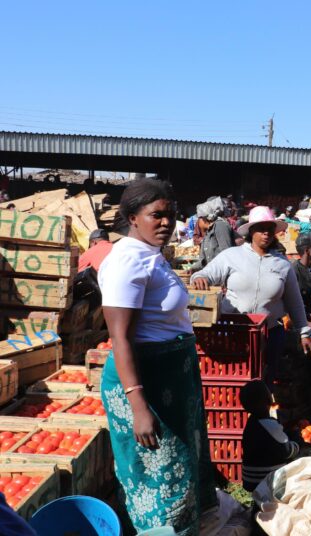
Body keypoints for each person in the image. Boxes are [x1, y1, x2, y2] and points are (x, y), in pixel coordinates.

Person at [98, 178, 216, 534]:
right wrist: (139, 408)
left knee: (177, 471)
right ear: (132, 217)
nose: (166, 223)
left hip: (168, 383)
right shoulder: (127, 261)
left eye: (171, 215)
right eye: (156, 215)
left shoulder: (151, 255)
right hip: (146, 385)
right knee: (159, 482)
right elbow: (120, 337)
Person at [192, 206, 311, 385]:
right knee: (234, 379)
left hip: (270, 334)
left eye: (269, 229)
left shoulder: (282, 264)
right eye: (260, 229)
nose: (266, 233)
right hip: (233, 332)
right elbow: (205, 273)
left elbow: (294, 302)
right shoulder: (232, 256)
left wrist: (304, 332)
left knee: (264, 382)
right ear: (251, 231)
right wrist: (200, 277)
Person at [240, 380, 299, 491]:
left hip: (249, 479)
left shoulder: (251, 423)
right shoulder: (269, 425)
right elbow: (286, 451)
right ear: (269, 399)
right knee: (295, 460)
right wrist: (297, 443)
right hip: (266, 480)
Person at [191, 198, 234, 271]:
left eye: (200, 218)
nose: (199, 221)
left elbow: (227, 254)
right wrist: (192, 269)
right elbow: (203, 260)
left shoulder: (220, 226)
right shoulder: (209, 231)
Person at [291, 234, 311, 320]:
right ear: (307, 251)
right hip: (301, 318)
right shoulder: (293, 271)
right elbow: (292, 301)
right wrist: (308, 315)